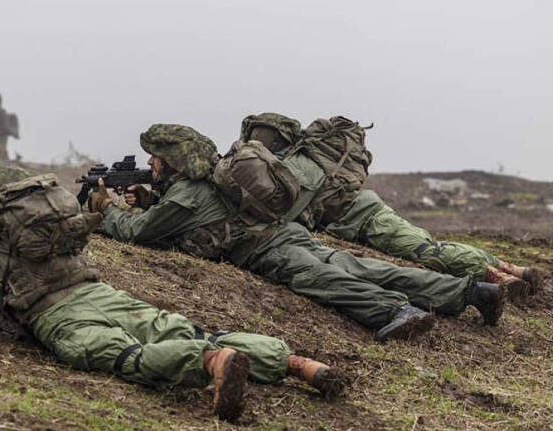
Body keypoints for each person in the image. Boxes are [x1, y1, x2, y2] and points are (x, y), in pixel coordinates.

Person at [0, 171, 345, 422]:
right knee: (181, 326)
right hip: (100, 292)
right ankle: (295, 364)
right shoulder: (48, 222)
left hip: (55, 314)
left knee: (125, 355)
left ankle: (210, 363)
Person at [89, 124, 506, 343]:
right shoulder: (206, 180)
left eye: (156, 157)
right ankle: (467, 293)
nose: (151, 162)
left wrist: (107, 209)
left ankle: (393, 312)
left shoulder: (185, 196)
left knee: (319, 278)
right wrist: (147, 198)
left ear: (173, 159)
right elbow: (180, 216)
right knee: (362, 266)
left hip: (267, 249)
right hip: (286, 232)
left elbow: (138, 233)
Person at [238, 113, 541, 302]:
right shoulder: (306, 158)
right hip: (367, 210)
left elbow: (289, 213)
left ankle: (498, 276)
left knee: (423, 251)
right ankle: (511, 268)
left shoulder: (297, 167)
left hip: (365, 219)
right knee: (426, 245)